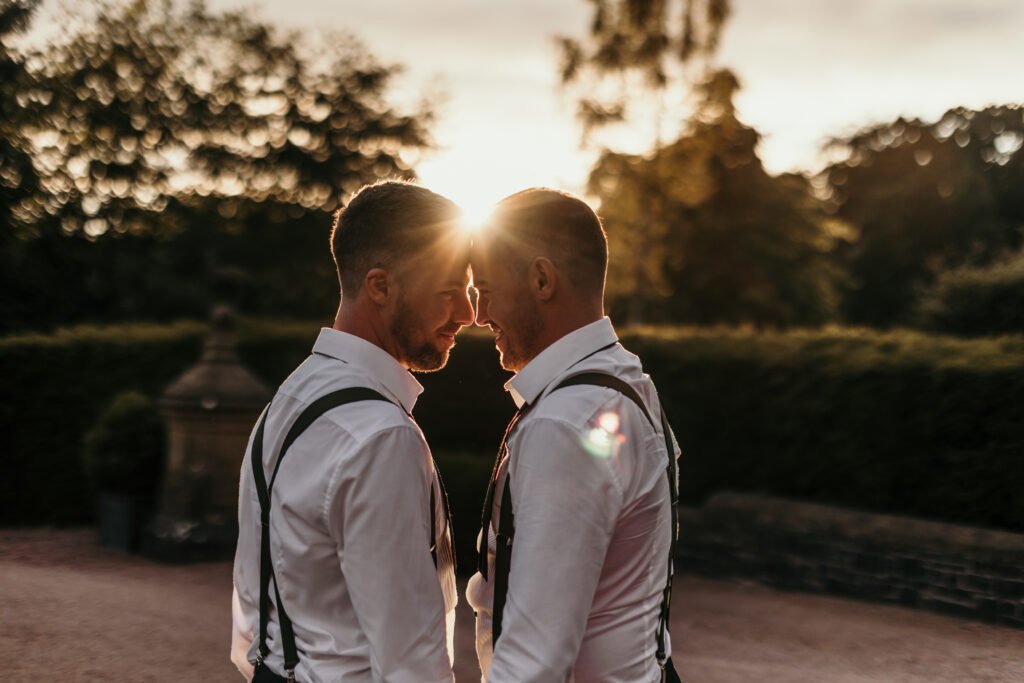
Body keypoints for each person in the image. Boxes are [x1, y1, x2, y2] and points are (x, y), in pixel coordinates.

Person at [231, 180, 473, 682]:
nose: (469, 315)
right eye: (450, 292)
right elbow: (410, 660)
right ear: (380, 287)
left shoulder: (288, 399)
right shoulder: (381, 437)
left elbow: (252, 613)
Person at [467, 188, 682, 682]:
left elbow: (533, 662)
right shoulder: (629, 385)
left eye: (486, 289)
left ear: (542, 279)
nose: (478, 315)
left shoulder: (564, 423)